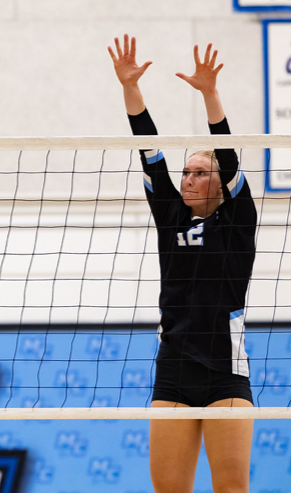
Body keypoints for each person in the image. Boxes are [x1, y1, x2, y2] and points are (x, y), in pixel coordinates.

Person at [108, 34, 256, 493]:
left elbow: (229, 158)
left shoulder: (237, 220)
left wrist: (210, 95)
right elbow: (148, 150)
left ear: (220, 184)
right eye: (186, 172)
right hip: (172, 368)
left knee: (230, 488)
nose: (187, 179)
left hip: (225, 372)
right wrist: (131, 89)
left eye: (199, 173)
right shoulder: (170, 215)